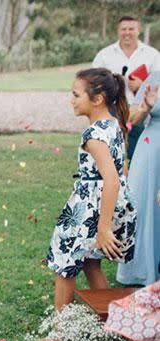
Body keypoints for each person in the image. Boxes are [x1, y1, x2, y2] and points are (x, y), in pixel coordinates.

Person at [46, 68, 137, 311]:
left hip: (90, 208)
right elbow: (122, 170)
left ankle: (59, 335)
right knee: (89, 263)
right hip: (105, 203)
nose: (71, 100)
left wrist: (104, 227)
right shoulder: (114, 125)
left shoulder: (93, 135)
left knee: (64, 265)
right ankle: (115, 322)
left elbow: (112, 179)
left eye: (76, 95)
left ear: (98, 99)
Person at [92, 16, 160, 160]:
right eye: (124, 29)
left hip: (142, 111)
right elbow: (93, 82)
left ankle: (135, 170)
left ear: (138, 31)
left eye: (131, 29)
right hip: (112, 109)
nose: (127, 32)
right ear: (118, 31)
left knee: (138, 151)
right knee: (111, 152)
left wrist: (142, 85)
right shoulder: (105, 55)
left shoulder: (152, 55)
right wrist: (113, 84)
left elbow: (158, 84)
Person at [117, 73, 160, 286]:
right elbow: (131, 118)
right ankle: (142, 272)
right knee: (141, 207)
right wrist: (145, 108)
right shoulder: (155, 78)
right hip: (152, 150)